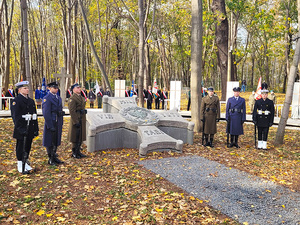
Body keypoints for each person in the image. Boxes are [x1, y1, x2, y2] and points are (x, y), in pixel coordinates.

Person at [10, 81, 39, 174]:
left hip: (30, 127)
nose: (27, 90)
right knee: (20, 145)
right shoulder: (16, 101)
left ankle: (25, 161)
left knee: (28, 145)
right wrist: (21, 129)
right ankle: (20, 164)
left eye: (27, 88)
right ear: (19, 90)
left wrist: (36, 128)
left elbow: (34, 116)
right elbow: (16, 117)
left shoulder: (30, 101)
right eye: (24, 88)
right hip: (21, 127)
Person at [42, 82, 64, 165]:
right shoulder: (47, 98)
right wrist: (50, 125)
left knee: (56, 139)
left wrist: (61, 113)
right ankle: (50, 157)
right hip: (51, 121)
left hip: (58, 120)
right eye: (54, 87)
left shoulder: (58, 97)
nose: (56, 89)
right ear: (49, 88)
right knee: (49, 140)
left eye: (56, 87)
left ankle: (54, 156)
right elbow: (46, 113)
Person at [68, 83, 87, 158]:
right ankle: (74, 152)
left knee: (80, 136)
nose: (79, 89)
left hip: (82, 118)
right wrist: (75, 121)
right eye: (77, 88)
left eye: (79, 88)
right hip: (76, 119)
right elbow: (72, 111)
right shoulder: (72, 98)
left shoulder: (81, 97)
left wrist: (84, 111)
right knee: (75, 136)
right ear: (74, 89)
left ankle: (78, 151)